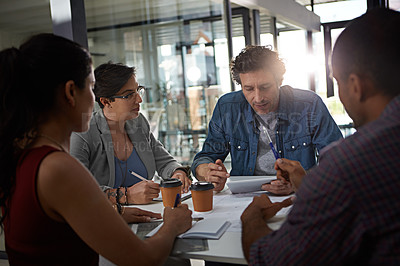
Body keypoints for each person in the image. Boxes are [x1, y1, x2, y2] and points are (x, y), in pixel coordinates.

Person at [0, 33, 192, 265]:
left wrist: (117, 213)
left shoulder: (26, 156)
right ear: (71, 92)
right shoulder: (57, 168)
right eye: (91, 88)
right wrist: (172, 225)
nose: (95, 99)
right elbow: (144, 259)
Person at [241, 8, 400, 265]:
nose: (257, 97)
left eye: (338, 82)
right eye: (249, 89)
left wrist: (250, 218)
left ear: (357, 86)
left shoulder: (348, 166)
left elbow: (273, 260)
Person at [191, 45, 342, 195]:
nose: (258, 98)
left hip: (299, 196)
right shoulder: (227, 108)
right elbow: (205, 157)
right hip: (242, 200)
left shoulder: (309, 105)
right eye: (248, 89)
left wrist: (300, 182)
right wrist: (207, 172)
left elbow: (337, 162)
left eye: (265, 87)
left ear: (279, 81)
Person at [70, 62, 192, 221]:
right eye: (129, 95)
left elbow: (163, 160)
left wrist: (178, 172)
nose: (139, 99)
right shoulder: (82, 133)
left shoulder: (138, 122)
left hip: (150, 216)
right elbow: (76, 192)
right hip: (105, 221)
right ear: (106, 102)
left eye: (138, 90)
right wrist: (125, 196)